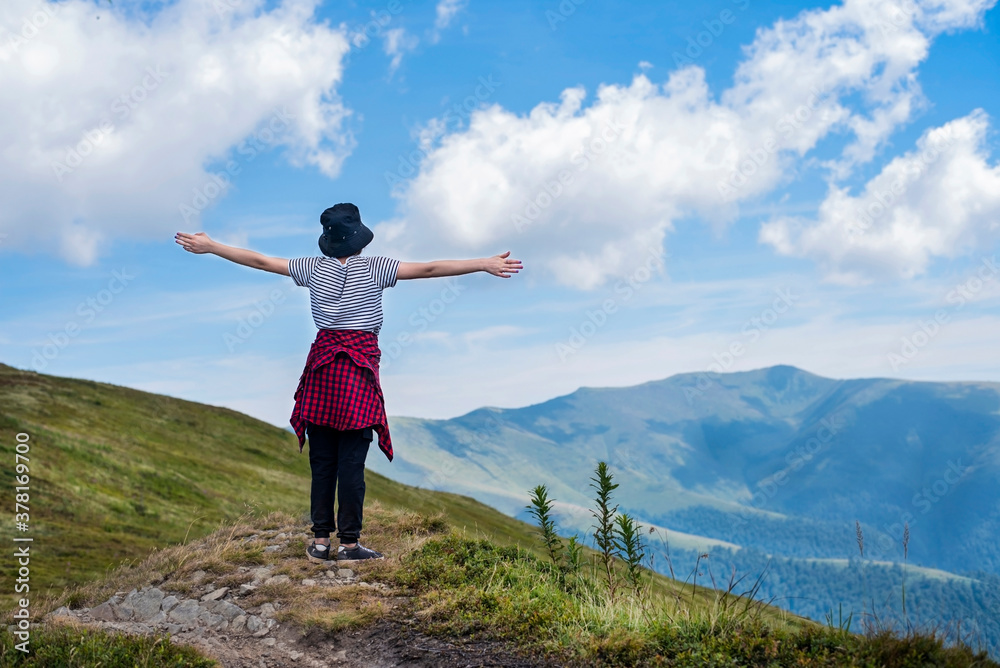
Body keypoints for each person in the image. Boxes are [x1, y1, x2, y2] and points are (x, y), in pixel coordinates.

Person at [175, 203, 522, 563]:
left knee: (322, 460)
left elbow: (261, 261)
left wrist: (212, 245)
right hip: (357, 371)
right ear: (359, 239)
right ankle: (351, 545)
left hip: (322, 369)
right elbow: (431, 268)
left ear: (328, 240)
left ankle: (321, 542)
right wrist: (483, 263)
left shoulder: (311, 268)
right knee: (352, 464)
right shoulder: (376, 267)